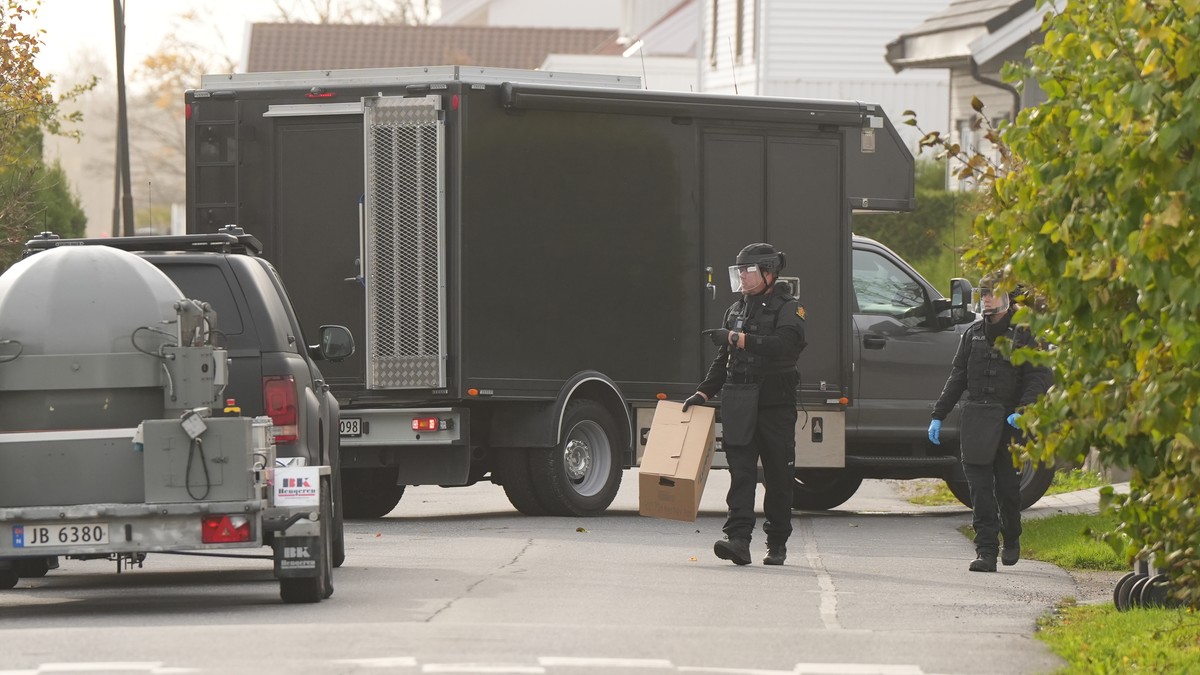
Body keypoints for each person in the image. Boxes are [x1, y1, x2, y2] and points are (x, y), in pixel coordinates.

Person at [682, 243, 807, 566]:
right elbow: (723, 360)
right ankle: (738, 540)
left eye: (748, 271)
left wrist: (739, 339)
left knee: (778, 476)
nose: (742, 277)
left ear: (768, 272)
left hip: (774, 404)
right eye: (739, 272)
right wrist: (703, 394)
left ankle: (776, 542)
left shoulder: (788, 308)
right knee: (741, 474)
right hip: (739, 400)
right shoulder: (736, 309)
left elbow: (785, 346)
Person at [928, 274, 1052, 572]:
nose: (986, 299)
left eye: (991, 294)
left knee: (1008, 489)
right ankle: (986, 549)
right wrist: (938, 414)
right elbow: (958, 376)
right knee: (979, 490)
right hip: (976, 420)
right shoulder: (972, 335)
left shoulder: (1024, 335)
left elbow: (1039, 376)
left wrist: (1023, 409)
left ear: (1006, 299)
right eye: (983, 294)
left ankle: (1011, 536)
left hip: (1009, 422)